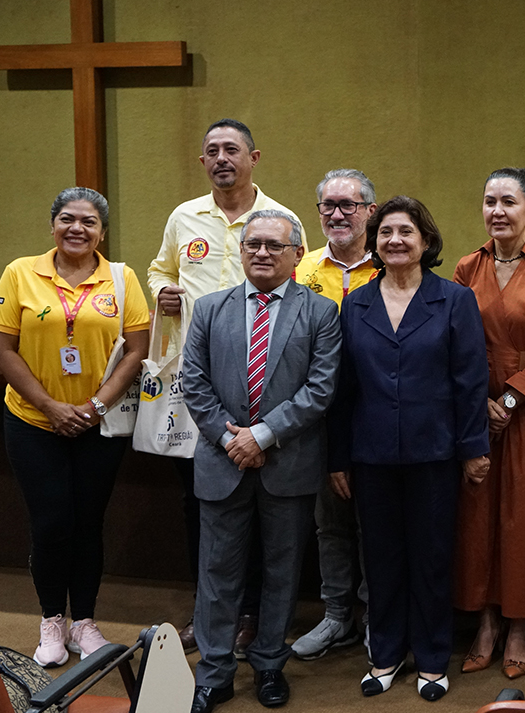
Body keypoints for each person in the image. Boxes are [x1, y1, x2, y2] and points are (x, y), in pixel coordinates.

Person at [147, 118, 306, 653]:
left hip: (263, 388)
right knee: (204, 503)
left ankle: (253, 616)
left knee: (260, 508)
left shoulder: (280, 221)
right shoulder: (183, 217)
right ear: (202, 162)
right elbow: (157, 269)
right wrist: (164, 289)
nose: (221, 158)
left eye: (231, 149)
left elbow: (296, 306)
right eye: (211, 150)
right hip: (198, 390)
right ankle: (208, 611)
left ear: (253, 158)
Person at [327, 196, 491, 703]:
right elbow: (342, 389)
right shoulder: (354, 303)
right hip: (370, 455)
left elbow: (470, 382)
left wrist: (474, 449)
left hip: (435, 454)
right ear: (374, 244)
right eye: (385, 233)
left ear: (425, 241)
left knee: (432, 557)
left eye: (406, 232)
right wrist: (337, 458)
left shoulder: (454, 299)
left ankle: (434, 657)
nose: (395, 241)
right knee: (380, 560)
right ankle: (386, 653)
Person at [180, 210, 340, 713]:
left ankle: (270, 663)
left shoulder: (320, 313)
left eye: (274, 245)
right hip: (222, 460)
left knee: (281, 570)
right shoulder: (209, 308)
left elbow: (320, 389)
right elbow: (193, 381)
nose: (262, 253)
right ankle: (215, 672)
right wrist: (232, 439)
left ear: (297, 254)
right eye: (253, 244)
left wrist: (263, 436)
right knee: (217, 572)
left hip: (287, 464)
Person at [0, 188, 150, 668]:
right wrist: (52, 407)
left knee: (88, 522)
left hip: (97, 424)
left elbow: (138, 348)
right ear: (52, 225)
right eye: (66, 219)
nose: (77, 228)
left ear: (103, 232)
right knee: (52, 521)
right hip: (33, 420)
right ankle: (52, 620)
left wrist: (96, 406)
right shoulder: (21, 272)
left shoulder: (120, 278)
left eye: (89, 222)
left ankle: (85, 622)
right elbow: (2, 349)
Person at [452, 167, 525, 679]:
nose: (496, 211)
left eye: (508, 202)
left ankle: (521, 625)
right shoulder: (465, 267)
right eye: (489, 201)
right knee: (475, 519)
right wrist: (481, 401)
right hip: (473, 409)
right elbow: (454, 342)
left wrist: (509, 401)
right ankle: (486, 621)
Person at [290, 169, 378, 660]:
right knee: (331, 523)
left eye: (348, 205)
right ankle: (337, 615)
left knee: (375, 523)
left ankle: (374, 616)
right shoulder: (301, 269)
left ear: (369, 210)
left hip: (376, 418)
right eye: (328, 206)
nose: (337, 214)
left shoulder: (390, 265)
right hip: (318, 420)